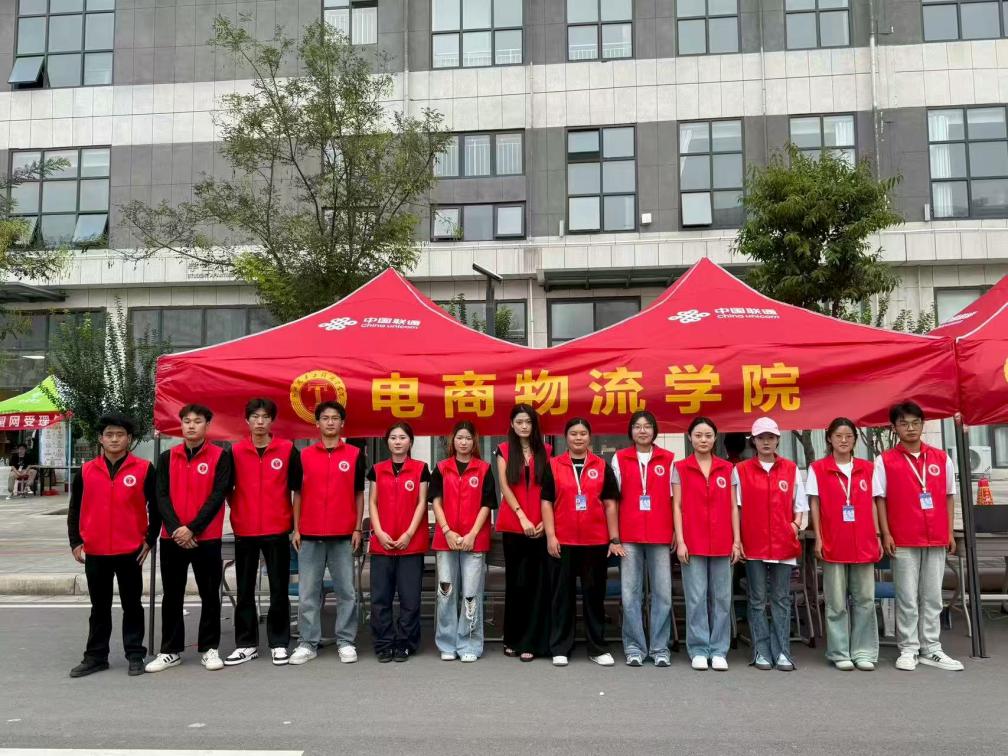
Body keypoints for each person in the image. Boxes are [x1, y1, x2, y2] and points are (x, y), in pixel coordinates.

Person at [66, 413, 159, 678]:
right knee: (99, 607)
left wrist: (149, 539)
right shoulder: (86, 471)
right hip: (96, 550)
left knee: (132, 605)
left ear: (129, 439)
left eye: (120, 435)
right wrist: (75, 541)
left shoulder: (144, 469)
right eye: (109, 434)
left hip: (130, 550)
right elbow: (75, 509)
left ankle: (135, 654)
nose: (114, 439)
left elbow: (157, 507)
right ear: (100, 439)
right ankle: (96, 656)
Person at [874, 401, 963, 672]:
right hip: (902, 538)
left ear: (923, 425)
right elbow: (880, 499)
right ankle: (909, 648)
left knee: (932, 596)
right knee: (907, 597)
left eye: (915, 423)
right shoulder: (885, 460)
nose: (910, 428)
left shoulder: (941, 458)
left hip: (936, 536)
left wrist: (949, 531)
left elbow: (949, 496)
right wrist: (885, 533)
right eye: (904, 424)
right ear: (895, 428)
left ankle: (931, 648)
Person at [146, 404, 233, 674]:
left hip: (206, 538)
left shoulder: (221, 457)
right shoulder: (166, 457)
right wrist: (177, 529)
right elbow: (160, 496)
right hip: (172, 538)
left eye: (197, 421)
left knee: (210, 595)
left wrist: (193, 529)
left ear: (208, 425)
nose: (191, 425)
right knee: (172, 595)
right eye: (186, 421)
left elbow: (218, 496)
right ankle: (170, 650)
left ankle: (209, 648)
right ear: (181, 425)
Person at [541, 417, 624, 667]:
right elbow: (546, 502)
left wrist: (614, 538)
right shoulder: (554, 465)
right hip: (563, 541)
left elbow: (610, 504)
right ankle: (560, 647)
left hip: (594, 542)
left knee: (594, 597)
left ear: (590, 437)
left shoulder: (602, 466)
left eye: (583, 434)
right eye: (574, 434)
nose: (578, 438)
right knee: (562, 597)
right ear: (566, 437)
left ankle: (597, 648)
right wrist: (551, 535)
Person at [225, 397, 301, 667]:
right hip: (245, 529)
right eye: (255, 417)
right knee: (245, 589)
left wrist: (296, 527)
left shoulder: (287, 449)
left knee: (279, 589)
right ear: (246, 420)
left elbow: (298, 490)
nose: (260, 422)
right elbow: (226, 489)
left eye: (265, 417)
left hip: (277, 528)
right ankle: (246, 644)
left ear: (272, 421)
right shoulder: (235, 451)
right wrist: (239, 511)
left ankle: (279, 643)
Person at [289, 401, 366, 666]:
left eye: (335, 418)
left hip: (343, 534)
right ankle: (307, 643)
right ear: (317, 423)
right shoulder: (304, 456)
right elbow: (298, 494)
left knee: (346, 592)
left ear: (342, 423)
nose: (330, 422)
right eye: (325, 418)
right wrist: (296, 528)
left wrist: (357, 527)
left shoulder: (354, 454)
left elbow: (359, 493)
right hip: (309, 534)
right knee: (308, 593)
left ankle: (346, 641)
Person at [734, 417, 808, 672]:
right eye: (761, 438)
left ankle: (783, 652)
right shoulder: (741, 470)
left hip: (783, 543)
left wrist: (795, 526)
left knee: (781, 599)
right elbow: (737, 507)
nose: (766, 442)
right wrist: (738, 539)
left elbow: (800, 505)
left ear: (778, 440)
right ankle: (761, 651)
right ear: (753, 441)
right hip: (754, 543)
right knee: (756, 599)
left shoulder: (790, 468)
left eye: (771, 437)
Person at [807, 417, 881, 671]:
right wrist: (818, 537)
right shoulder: (818, 469)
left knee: (865, 600)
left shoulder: (868, 468)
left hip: (864, 541)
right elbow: (814, 504)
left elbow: (873, 503)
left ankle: (863, 652)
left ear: (855, 440)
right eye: (838, 436)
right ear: (829, 438)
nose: (843, 440)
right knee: (836, 602)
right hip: (833, 541)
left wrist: (878, 535)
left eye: (849, 436)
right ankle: (839, 652)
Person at [672, 416, 742, 672]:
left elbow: (733, 507)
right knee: (696, 598)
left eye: (708, 435)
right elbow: (677, 506)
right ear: (690, 438)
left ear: (715, 439)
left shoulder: (727, 468)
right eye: (698, 435)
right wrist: (681, 541)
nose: (703, 440)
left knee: (722, 598)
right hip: (693, 542)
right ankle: (699, 649)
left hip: (723, 542)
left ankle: (719, 649)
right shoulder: (680, 467)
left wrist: (736, 541)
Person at [430, 421, 497, 662]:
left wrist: (472, 534)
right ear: (453, 440)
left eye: (468, 438)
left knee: (471, 594)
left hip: (473, 540)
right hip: (445, 539)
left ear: (474, 441)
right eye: (460, 438)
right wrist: (447, 531)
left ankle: (469, 644)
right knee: (446, 592)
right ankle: (447, 643)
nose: (464, 442)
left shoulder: (484, 468)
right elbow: (435, 501)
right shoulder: (441, 468)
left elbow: (487, 505)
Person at [612, 410, 675, 667]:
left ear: (654, 430)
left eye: (647, 426)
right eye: (637, 426)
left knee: (663, 594)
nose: (642, 431)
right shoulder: (620, 458)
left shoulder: (669, 459)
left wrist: (675, 531)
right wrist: (615, 537)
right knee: (630, 594)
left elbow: (675, 499)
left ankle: (660, 648)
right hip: (629, 535)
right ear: (631, 431)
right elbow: (613, 500)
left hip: (660, 534)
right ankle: (634, 646)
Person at [367, 422, 430, 662]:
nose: (397, 442)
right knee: (380, 599)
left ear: (410, 442)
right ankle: (384, 644)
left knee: (410, 599)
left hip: (410, 545)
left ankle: (405, 643)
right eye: (393, 437)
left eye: (402, 437)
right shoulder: (377, 469)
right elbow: (372, 502)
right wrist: (379, 532)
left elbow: (422, 503)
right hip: (382, 544)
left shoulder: (421, 469)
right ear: (387, 442)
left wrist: (408, 534)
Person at [495, 403, 552, 661]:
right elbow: (504, 487)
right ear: (512, 424)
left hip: (541, 525)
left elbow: (550, 489)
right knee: (516, 583)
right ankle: (513, 639)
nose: (524, 426)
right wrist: (522, 517)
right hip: (514, 524)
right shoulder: (504, 450)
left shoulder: (546, 450)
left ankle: (533, 642)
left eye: (528, 422)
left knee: (538, 585)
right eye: (519, 422)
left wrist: (543, 522)